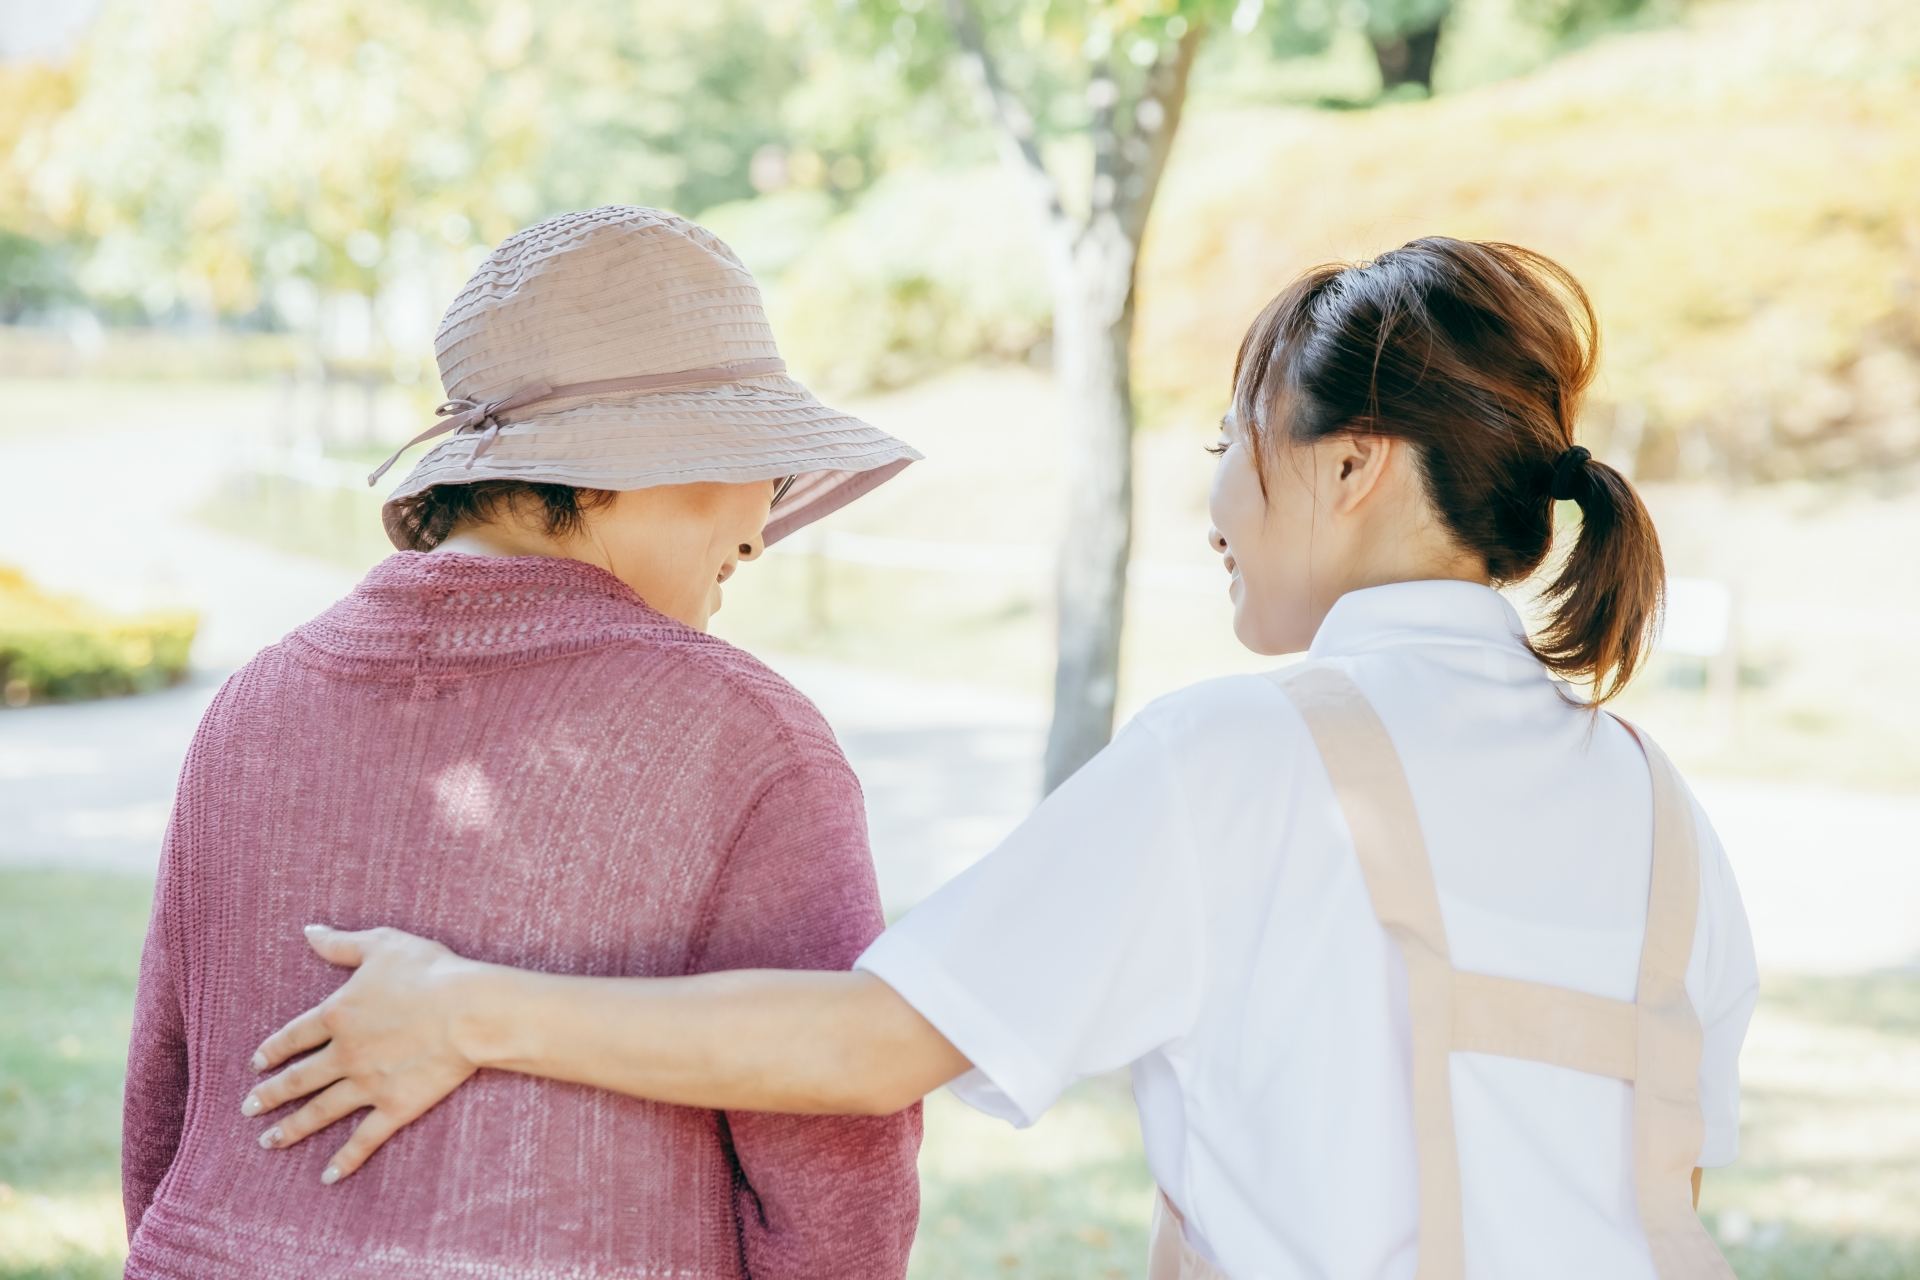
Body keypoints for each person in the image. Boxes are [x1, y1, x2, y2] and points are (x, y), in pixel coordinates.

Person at [242, 238, 1760, 1280]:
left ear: (1353, 465)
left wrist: (466, 1013)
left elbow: (873, 1044)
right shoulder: (1662, 811)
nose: (1215, 499)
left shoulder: (1244, 756)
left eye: (1229, 445)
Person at [121, 206, 926, 1280]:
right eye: (753, 461)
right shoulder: (745, 736)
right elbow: (831, 1164)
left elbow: (164, 1112)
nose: (759, 526)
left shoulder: (254, 701)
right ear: (614, 468)